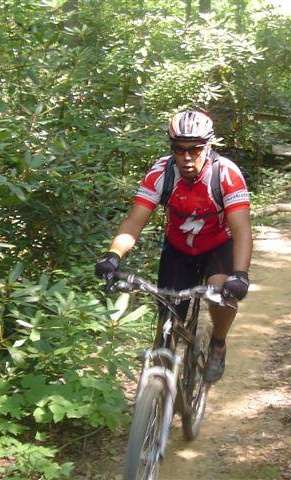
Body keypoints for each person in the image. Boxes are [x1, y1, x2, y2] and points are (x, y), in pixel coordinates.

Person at [95, 110, 253, 383]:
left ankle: (217, 342)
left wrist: (240, 274)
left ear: (209, 146)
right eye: (179, 150)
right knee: (167, 326)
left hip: (218, 246)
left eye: (195, 149)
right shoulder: (161, 173)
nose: (187, 157)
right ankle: (158, 397)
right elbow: (134, 222)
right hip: (179, 250)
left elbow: (241, 228)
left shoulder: (226, 174)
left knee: (221, 289)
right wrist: (113, 256)